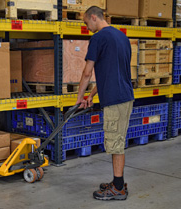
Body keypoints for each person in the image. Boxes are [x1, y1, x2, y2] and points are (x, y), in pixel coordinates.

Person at [75, 6, 134, 201]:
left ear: (94, 17)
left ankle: (118, 188)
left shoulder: (98, 38)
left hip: (115, 100)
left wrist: (79, 98)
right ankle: (117, 182)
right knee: (117, 140)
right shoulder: (122, 37)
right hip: (125, 97)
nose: (87, 27)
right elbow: (112, 72)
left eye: (86, 23)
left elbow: (87, 72)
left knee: (115, 144)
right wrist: (92, 94)